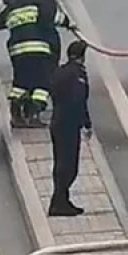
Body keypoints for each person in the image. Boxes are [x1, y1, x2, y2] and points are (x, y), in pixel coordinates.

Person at [0, 0, 73, 128]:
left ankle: (16, 115)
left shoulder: (11, 6)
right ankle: (33, 114)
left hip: (17, 52)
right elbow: (52, 17)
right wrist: (68, 22)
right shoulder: (41, 0)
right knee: (43, 83)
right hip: (39, 49)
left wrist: (10, 4)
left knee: (21, 82)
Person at [48, 40, 93, 217]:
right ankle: (58, 202)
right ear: (82, 57)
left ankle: (61, 199)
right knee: (69, 166)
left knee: (60, 162)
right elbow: (79, 101)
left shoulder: (60, 71)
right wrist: (86, 123)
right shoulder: (78, 74)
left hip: (57, 121)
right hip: (69, 124)